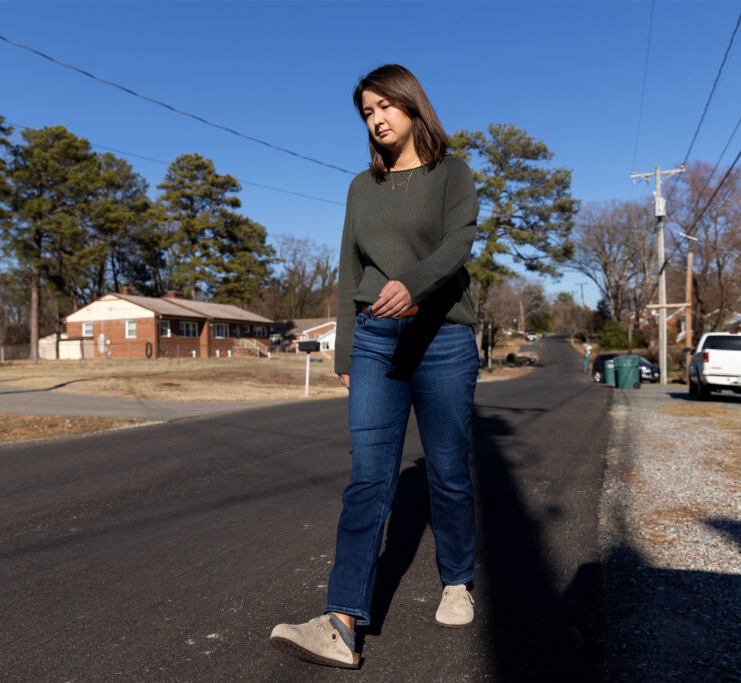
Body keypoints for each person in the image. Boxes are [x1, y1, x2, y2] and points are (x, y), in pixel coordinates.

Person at [270, 64, 481, 669]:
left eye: (386, 105)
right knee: (368, 477)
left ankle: (457, 580)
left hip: (442, 339)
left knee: (446, 471)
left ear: (413, 107)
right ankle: (340, 622)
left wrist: (411, 283)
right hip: (375, 341)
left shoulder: (452, 173)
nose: (377, 118)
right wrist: (342, 351)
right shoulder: (362, 187)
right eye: (367, 111)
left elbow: (457, 245)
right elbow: (345, 269)